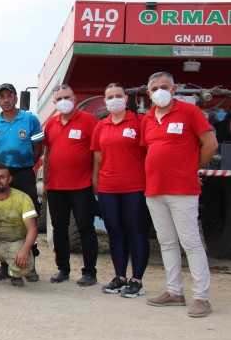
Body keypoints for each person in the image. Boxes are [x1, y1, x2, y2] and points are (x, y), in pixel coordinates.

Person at [141, 72, 218, 317]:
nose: (160, 91)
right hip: (154, 189)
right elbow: (150, 151)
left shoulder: (189, 112)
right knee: (166, 242)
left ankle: (201, 297)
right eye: (155, 88)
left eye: (165, 86)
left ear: (174, 90)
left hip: (182, 189)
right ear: (148, 93)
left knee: (191, 242)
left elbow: (211, 143)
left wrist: (191, 169)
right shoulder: (148, 119)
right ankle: (174, 291)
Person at [91, 83, 150, 298]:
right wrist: (96, 183)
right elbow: (97, 157)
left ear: (126, 99)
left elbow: (150, 151)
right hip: (108, 187)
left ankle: (137, 281)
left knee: (136, 231)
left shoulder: (140, 122)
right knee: (115, 233)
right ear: (105, 100)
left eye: (118, 95)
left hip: (135, 186)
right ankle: (120, 277)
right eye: (110, 96)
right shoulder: (101, 126)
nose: (114, 99)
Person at [0, 83, 44, 283]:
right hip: (2, 176)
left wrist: (25, 167)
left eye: (9, 95)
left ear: (16, 98)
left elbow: (38, 149)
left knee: (28, 217)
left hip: (25, 174)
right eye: (2, 97)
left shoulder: (30, 120)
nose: (6, 100)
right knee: (5, 219)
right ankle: (5, 264)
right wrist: (1, 172)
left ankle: (30, 264)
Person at [42, 84, 99, 286]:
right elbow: (47, 154)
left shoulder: (89, 121)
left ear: (74, 99)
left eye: (67, 97)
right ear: (54, 102)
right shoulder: (51, 124)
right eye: (59, 99)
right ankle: (63, 269)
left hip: (81, 185)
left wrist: (95, 180)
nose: (63, 101)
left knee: (85, 228)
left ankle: (89, 272)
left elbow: (97, 153)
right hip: (56, 187)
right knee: (59, 229)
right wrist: (46, 182)